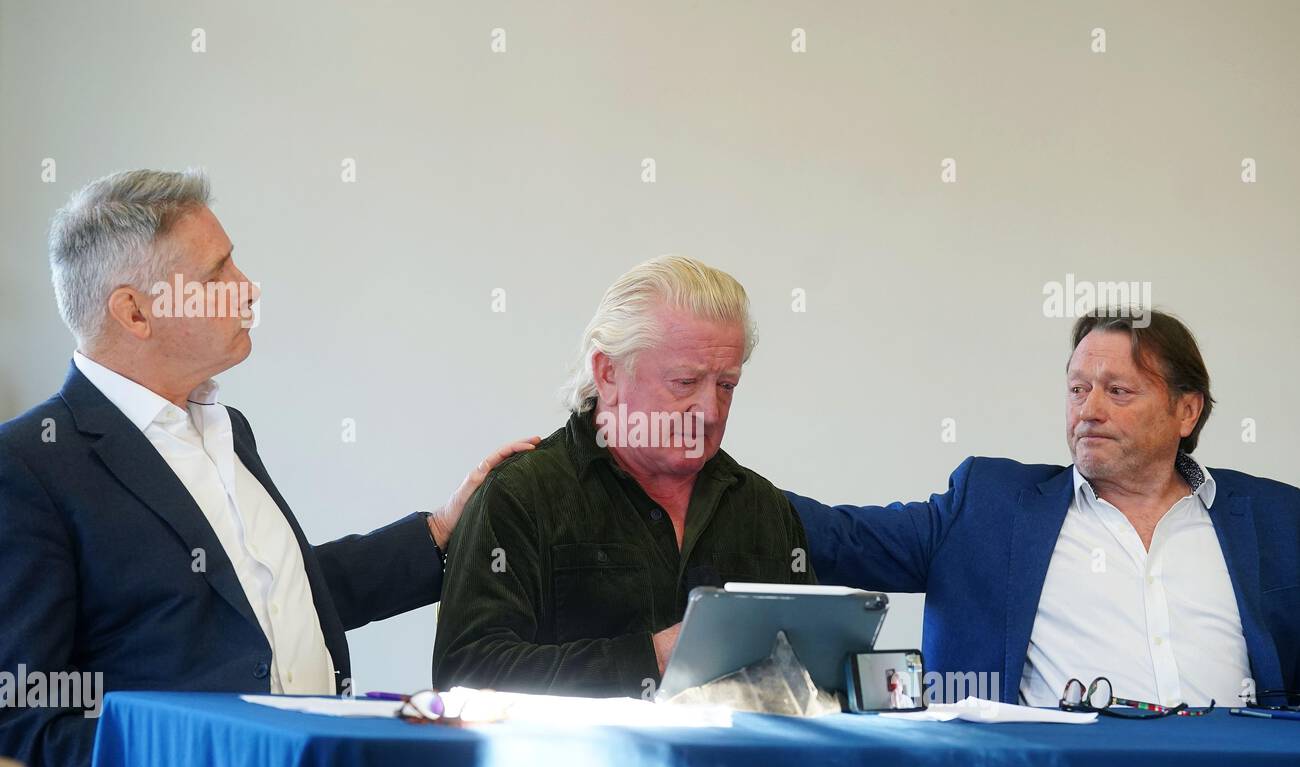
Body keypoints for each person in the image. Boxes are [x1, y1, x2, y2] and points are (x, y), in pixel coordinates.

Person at [0, 168, 536, 767]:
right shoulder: (30, 464)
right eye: (218, 271)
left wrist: (437, 534)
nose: (249, 288)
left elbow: (271, 604)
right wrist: (228, 746)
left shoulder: (229, 429)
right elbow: (20, 726)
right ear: (134, 312)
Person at [789, 309, 1300, 708]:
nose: (1089, 410)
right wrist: (710, 472)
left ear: (1186, 411)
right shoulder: (989, 508)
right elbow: (838, 537)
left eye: (1118, 391)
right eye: (1078, 389)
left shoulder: (1277, 518)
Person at [433, 256, 815, 697]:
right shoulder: (521, 497)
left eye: (726, 386)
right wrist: (656, 657)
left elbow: (807, 679)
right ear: (609, 373)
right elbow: (465, 676)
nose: (710, 412)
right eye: (685, 382)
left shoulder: (764, 508)